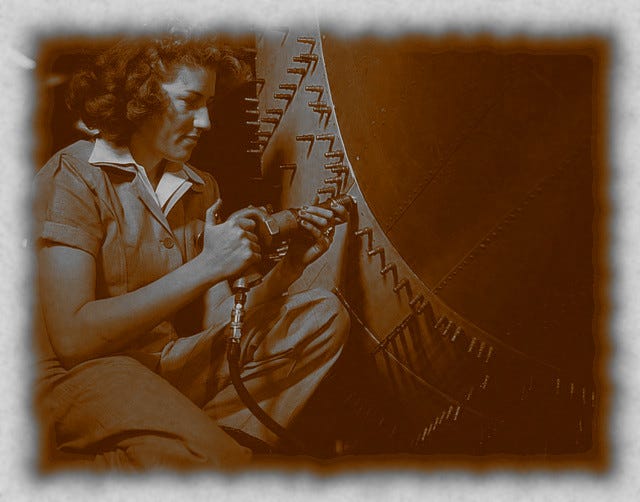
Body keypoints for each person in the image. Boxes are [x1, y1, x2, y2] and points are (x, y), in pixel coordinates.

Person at [33, 34, 350, 471]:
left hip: (165, 366)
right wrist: (207, 265)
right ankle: (202, 455)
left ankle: (205, 447)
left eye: (209, 104)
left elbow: (220, 322)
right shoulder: (74, 174)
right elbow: (74, 341)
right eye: (190, 101)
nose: (205, 122)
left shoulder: (201, 187)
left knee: (324, 314)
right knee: (212, 458)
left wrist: (288, 269)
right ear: (139, 97)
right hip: (86, 376)